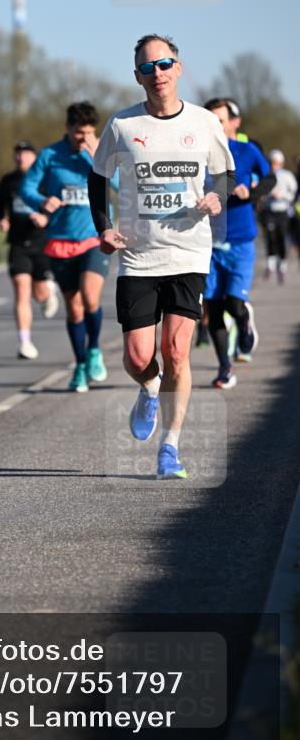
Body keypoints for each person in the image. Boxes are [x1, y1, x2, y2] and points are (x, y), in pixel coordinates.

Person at [88, 34, 235, 480]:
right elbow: (98, 178)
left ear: (178, 68)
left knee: (176, 351)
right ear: (138, 76)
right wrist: (104, 227)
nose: (158, 73)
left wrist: (217, 197)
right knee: (138, 358)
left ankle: (170, 447)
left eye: (165, 63)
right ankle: (150, 387)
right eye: (148, 67)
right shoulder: (122, 125)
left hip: (189, 252)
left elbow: (224, 174)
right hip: (138, 256)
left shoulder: (204, 122)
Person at [20, 102, 112, 392]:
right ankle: (80, 365)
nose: (83, 138)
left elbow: (123, 186)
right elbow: (26, 187)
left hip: (94, 237)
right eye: (78, 133)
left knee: (90, 297)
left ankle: (94, 349)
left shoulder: (100, 152)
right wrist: (41, 201)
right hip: (61, 240)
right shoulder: (50, 155)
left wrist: (98, 158)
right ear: (67, 129)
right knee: (74, 308)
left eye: (89, 132)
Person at [202, 99, 274, 387]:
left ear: (234, 123)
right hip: (208, 242)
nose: (215, 127)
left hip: (241, 240)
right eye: (210, 121)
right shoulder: (198, 154)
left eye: (220, 121)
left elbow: (270, 178)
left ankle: (244, 321)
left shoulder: (246, 151)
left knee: (233, 302)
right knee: (213, 308)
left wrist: (252, 193)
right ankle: (224, 369)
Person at [0, 140, 59, 359]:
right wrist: (1, 219)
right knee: (21, 290)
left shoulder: (45, 179)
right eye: (18, 153)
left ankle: (48, 292)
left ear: (34, 157)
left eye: (26, 153)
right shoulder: (8, 181)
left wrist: (46, 218)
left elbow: (59, 205)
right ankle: (25, 342)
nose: (21, 157)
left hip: (42, 243)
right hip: (18, 243)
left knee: (39, 294)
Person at [259, 150, 298, 283]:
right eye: (272, 163)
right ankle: (270, 265)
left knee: (281, 238)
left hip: (282, 211)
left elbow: (293, 194)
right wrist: (264, 196)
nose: (274, 165)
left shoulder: (287, 175)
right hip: (269, 211)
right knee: (270, 237)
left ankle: (282, 266)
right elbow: (260, 192)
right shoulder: (265, 175)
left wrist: (282, 196)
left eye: (276, 163)